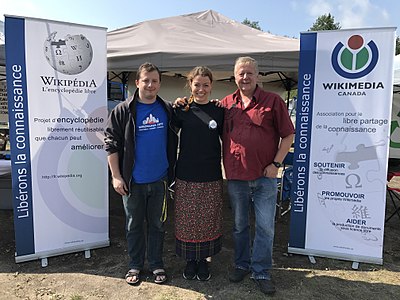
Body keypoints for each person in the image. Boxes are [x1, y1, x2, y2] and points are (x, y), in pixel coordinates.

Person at [221, 57, 295, 295]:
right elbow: (202, 113)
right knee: (240, 225)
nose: (245, 77)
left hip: (265, 177)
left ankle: (261, 270)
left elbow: (288, 136)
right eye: (241, 73)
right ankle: (242, 264)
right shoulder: (226, 104)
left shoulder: (273, 101)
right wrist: (184, 102)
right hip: (236, 177)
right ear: (235, 76)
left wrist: (276, 164)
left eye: (250, 73)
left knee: (265, 227)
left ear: (257, 75)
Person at [104, 62, 178, 286]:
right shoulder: (123, 110)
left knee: (157, 225)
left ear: (159, 83)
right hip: (133, 182)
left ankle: (156, 263)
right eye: (146, 80)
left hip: (161, 180)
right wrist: (116, 176)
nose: (150, 84)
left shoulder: (167, 108)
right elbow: (111, 144)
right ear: (137, 82)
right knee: (133, 225)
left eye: (155, 80)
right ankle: (135, 264)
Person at [172, 66, 224, 281]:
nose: (201, 89)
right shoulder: (181, 109)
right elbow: (169, 136)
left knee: (208, 219)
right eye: (197, 84)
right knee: (187, 220)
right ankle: (190, 260)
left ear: (211, 86)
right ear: (190, 85)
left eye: (205, 85)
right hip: (186, 172)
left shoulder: (220, 110)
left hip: (211, 173)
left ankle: (203, 260)